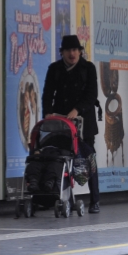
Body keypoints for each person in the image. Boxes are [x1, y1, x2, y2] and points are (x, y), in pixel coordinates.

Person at [42, 35, 101, 213]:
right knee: (60, 157)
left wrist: (77, 110)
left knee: (88, 158)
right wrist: (47, 114)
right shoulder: (54, 69)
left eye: (75, 50)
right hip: (62, 122)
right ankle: (58, 197)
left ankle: (95, 200)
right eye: (68, 50)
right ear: (62, 53)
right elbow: (47, 94)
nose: (72, 53)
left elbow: (91, 95)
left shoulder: (88, 68)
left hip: (84, 122)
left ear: (80, 52)